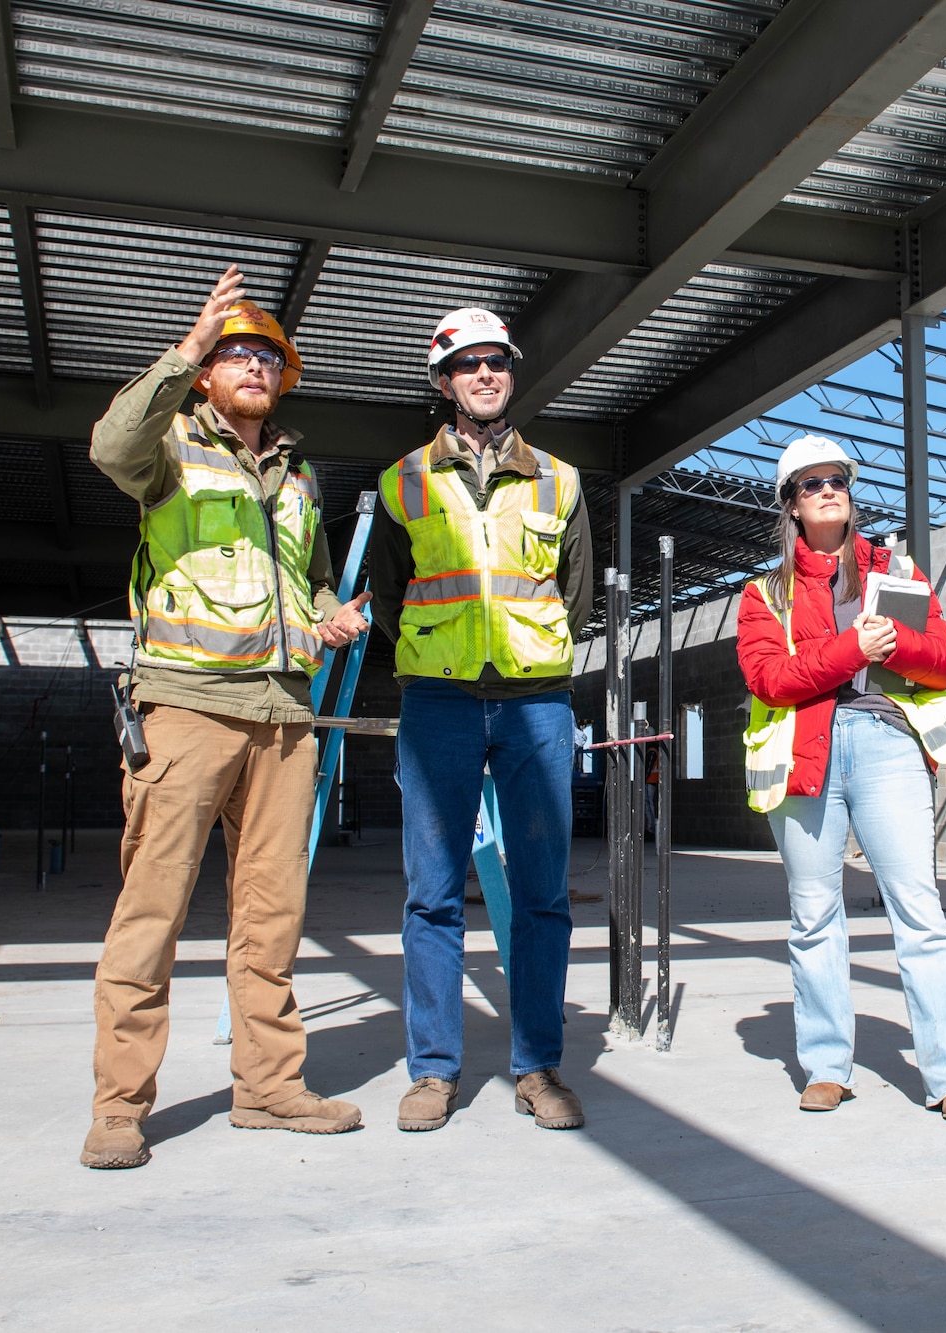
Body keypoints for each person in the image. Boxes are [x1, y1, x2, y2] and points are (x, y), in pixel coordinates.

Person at [82, 264, 373, 1169]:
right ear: (210, 371)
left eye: (267, 356)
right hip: (187, 706)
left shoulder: (300, 476)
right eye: (236, 352)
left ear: (285, 378)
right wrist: (188, 344)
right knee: (152, 911)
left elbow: (312, 576)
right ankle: (120, 1107)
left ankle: (270, 1087)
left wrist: (333, 614)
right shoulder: (168, 447)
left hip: (284, 716)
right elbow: (107, 444)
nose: (252, 364)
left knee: (272, 913)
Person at [368, 307, 592, 1134]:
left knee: (540, 894)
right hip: (439, 699)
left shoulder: (560, 481)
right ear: (442, 381)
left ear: (511, 373)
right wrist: (439, 649)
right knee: (431, 895)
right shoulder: (403, 482)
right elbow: (391, 597)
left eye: (496, 361)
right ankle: (434, 1071)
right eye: (467, 364)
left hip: (537, 700)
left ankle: (537, 1066)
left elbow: (574, 596)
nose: (485, 374)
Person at [737, 435, 946, 1121]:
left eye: (837, 479)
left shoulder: (893, 569)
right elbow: (769, 678)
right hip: (805, 755)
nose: (827, 491)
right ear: (790, 502)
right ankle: (825, 1065)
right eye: (811, 483)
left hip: (886, 745)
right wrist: (851, 648)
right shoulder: (765, 593)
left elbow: (942, 661)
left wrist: (894, 642)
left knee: (919, 910)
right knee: (814, 916)